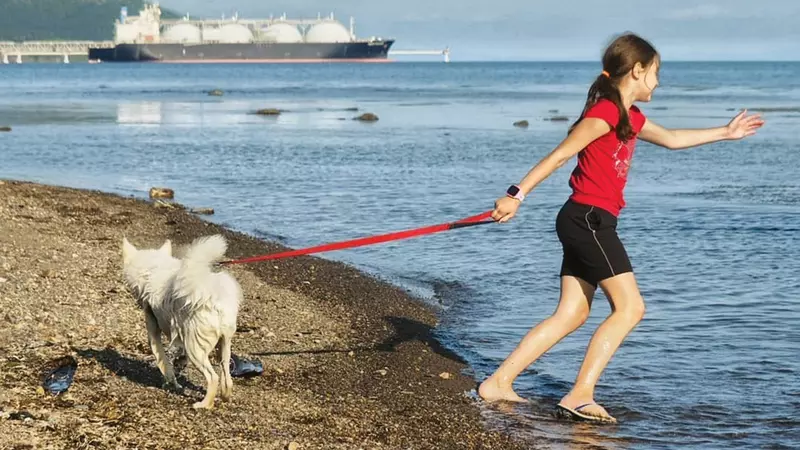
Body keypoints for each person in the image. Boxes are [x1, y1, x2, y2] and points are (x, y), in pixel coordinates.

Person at [478, 32, 764, 423]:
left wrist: (726, 133)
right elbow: (560, 155)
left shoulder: (630, 117)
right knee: (630, 307)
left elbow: (672, 139)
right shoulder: (605, 113)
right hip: (589, 220)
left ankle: (498, 383)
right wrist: (516, 195)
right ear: (638, 70)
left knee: (572, 314)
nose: (658, 82)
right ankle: (580, 395)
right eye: (656, 72)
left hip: (585, 219)